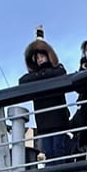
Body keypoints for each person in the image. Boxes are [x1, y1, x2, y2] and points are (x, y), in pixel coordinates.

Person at [19, 30, 73, 164]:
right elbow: (22, 81)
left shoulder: (57, 70)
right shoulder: (33, 77)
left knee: (58, 150)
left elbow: (61, 73)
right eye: (37, 58)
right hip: (44, 122)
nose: (40, 60)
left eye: (42, 56)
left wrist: (41, 74)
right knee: (49, 152)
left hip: (58, 120)